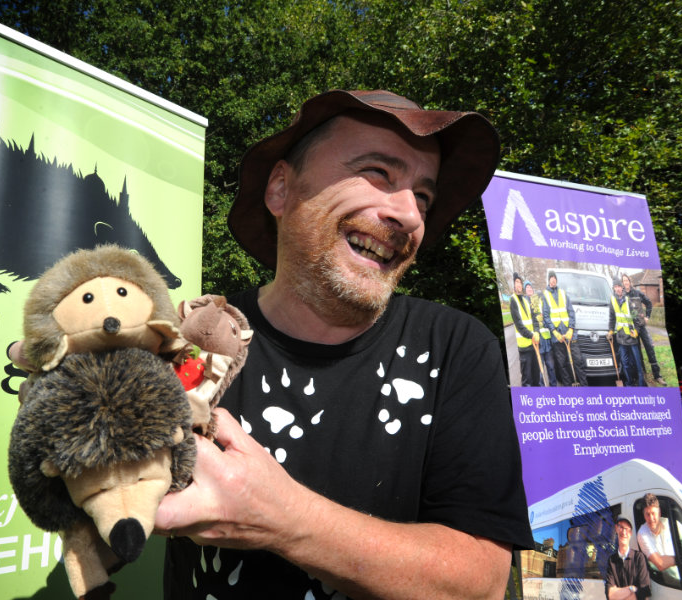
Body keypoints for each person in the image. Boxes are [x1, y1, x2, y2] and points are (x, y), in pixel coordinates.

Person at [154, 89, 533, 600]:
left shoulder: (455, 348)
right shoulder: (204, 335)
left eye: (423, 196)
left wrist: (282, 517)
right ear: (282, 190)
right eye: (378, 172)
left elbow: (480, 582)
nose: (410, 216)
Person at [541, 270, 588, 386]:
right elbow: (546, 316)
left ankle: (584, 387)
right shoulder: (545, 295)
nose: (553, 280)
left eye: (554, 278)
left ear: (556, 280)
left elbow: (571, 312)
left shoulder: (563, 293)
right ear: (548, 280)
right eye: (551, 278)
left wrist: (571, 328)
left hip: (569, 334)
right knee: (562, 364)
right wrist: (554, 331)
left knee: (577, 361)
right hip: (557, 336)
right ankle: (568, 389)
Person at [622, 273, 667, 386]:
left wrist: (647, 316)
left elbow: (649, 303)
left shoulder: (637, 293)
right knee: (637, 352)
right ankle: (642, 373)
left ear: (630, 281)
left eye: (627, 280)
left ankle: (657, 375)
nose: (625, 283)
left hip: (641, 326)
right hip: (631, 329)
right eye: (623, 281)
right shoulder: (622, 296)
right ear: (622, 283)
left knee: (649, 349)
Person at [637, 493, 682, 584]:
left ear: (659, 513)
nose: (651, 518)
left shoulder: (669, 523)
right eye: (647, 514)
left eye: (653, 513)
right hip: (670, 583)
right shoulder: (642, 533)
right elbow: (661, 564)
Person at [609, 278, 645, 386]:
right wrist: (610, 330)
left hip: (631, 335)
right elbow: (612, 318)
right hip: (620, 337)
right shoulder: (612, 301)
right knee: (625, 363)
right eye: (615, 287)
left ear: (622, 287)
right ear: (614, 289)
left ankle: (641, 384)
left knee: (637, 362)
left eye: (619, 286)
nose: (617, 289)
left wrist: (637, 331)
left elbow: (636, 319)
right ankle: (629, 383)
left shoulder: (628, 300)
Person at [605, 517, 651, 600]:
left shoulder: (639, 558)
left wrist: (619, 593)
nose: (624, 532)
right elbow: (610, 595)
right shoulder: (611, 560)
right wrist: (632, 589)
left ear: (630, 533)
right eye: (621, 527)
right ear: (616, 529)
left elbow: (645, 592)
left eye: (627, 529)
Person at [510, 273, 541, 386]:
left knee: (536, 377)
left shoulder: (526, 300)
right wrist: (532, 335)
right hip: (525, 349)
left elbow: (534, 319)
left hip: (534, 345)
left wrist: (537, 332)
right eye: (516, 282)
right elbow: (519, 325)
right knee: (527, 380)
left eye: (520, 282)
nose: (519, 284)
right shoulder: (513, 301)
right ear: (513, 285)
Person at [527, 280, 557, 386]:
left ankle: (554, 388)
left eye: (530, 287)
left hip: (547, 340)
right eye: (527, 288)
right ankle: (542, 390)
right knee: (540, 369)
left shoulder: (541, 299)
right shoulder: (527, 303)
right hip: (538, 341)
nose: (529, 290)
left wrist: (543, 320)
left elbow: (548, 316)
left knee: (551, 367)